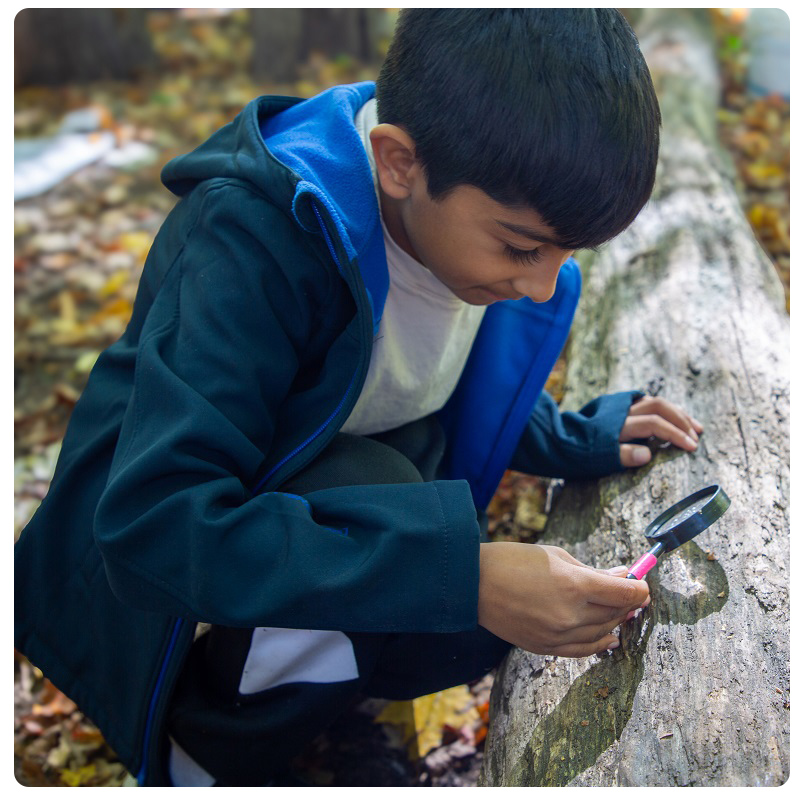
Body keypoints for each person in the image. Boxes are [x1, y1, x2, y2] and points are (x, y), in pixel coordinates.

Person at [14, 9, 703, 787]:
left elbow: (414, 374)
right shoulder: (255, 241)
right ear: (399, 162)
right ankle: (203, 752)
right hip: (158, 602)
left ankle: (318, 694)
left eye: (569, 252)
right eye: (521, 247)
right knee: (381, 499)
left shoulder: (453, 225)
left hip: (298, 526)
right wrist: (465, 576)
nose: (543, 284)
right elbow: (155, 527)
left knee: (392, 501)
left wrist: (568, 435)